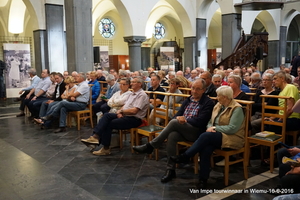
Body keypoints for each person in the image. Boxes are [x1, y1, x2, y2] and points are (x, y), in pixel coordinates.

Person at [132, 79, 215, 183]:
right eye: (193, 88)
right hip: (183, 128)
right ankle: (170, 170)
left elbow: (201, 121)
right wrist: (179, 118)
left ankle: (151, 146)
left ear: (204, 90)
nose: (194, 91)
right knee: (172, 135)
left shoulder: (208, 103)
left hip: (196, 132)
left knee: (174, 122)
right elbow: (178, 114)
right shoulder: (189, 99)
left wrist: (185, 120)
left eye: (198, 89)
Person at [170, 86, 245, 188]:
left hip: (232, 137)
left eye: (218, 96)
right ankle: (203, 179)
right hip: (215, 135)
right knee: (205, 149)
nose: (216, 98)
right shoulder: (218, 105)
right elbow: (210, 121)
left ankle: (186, 156)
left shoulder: (237, 109)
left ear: (225, 97)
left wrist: (215, 128)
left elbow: (232, 128)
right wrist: (211, 127)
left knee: (206, 136)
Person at [81, 76, 149, 155]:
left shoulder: (141, 95)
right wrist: (120, 111)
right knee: (106, 116)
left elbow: (134, 111)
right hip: (125, 115)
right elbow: (125, 105)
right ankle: (95, 137)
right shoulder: (132, 93)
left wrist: (122, 112)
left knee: (108, 124)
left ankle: (104, 147)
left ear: (140, 84)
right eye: (132, 82)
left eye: (134, 82)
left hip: (134, 119)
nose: (132, 84)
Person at [265, 71, 300, 135]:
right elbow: (281, 110)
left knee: (273, 126)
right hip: (284, 117)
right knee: (267, 122)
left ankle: (279, 144)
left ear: (282, 79)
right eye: (273, 79)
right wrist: (273, 117)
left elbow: (290, 109)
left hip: (292, 118)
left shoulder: (290, 87)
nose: (273, 81)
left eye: (275, 79)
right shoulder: (280, 92)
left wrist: (280, 119)